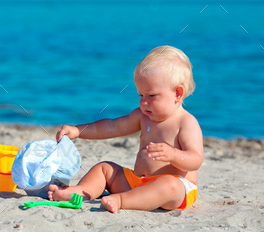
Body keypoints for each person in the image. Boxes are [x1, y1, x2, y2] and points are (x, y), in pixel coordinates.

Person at [48, 46, 204, 214]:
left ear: (178, 93)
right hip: (136, 182)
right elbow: (112, 127)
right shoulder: (142, 116)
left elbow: (196, 159)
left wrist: (173, 155)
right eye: (140, 95)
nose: (144, 102)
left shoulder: (186, 122)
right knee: (105, 169)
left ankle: (122, 200)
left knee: (170, 186)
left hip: (173, 189)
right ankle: (79, 192)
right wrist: (79, 130)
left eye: (151, 95)